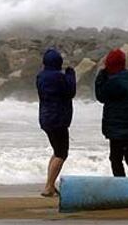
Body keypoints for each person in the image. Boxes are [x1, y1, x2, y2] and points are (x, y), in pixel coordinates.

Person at [95, 48, 128, 177]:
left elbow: (101, 96)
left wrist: (100, 75)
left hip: (119, 125)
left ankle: (121, 187)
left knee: (116, 158)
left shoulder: (113, 81)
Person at [36, 48, 76, 197]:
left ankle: (50, 184)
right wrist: (71, 74)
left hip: (46, 118)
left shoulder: (41, 77)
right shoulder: (59, 78)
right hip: (58, 119)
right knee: (61, 153)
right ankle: (48, 186)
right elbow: (71, 91)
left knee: (57, 151)